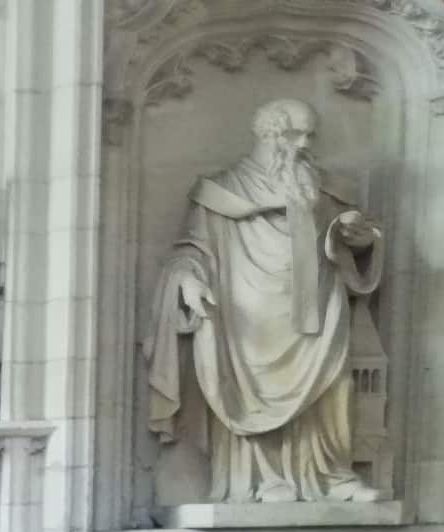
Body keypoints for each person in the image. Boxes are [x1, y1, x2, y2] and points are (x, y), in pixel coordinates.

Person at [145, 98, 385, 504]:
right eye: (296, 134)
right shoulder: (223, 191)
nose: (306, 143)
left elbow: (361, 233)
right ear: (268, 134)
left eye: (311, 134)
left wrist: (363, 239)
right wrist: (187, 280)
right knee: (252, 392)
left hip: (320, 310)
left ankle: (331, 476)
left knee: (334, 385)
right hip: (248, 316)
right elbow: (190, 250)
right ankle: (256, 480)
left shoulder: (321, 187)